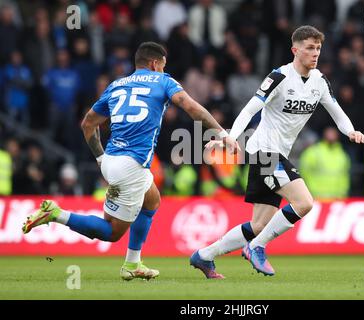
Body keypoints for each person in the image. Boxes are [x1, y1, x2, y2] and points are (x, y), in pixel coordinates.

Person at [22, 42, 238, 281]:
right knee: (111, 232)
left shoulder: (116, 85)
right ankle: (56, 214)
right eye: (163, 66)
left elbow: (87, 124)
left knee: (152, 198)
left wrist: (100, 157)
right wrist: (222, 133)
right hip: (132, 166)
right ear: (155, 64)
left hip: (112, 159)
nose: (164, 71)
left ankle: (133, 263)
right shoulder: (163, 82)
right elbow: (190, 107)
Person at [190, 26, 364, 278]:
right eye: (309, 48)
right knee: (304, 203)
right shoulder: (279, 77)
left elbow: (337, 112)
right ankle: (257, 247)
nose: (315, 53)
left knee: (259, 224)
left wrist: (350, 131)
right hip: (264, 152)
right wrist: (228, 136)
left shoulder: (319, 82)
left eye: (318, 48)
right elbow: (251, 109)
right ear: (295, 50)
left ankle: (204, 256)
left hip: (279, 154)